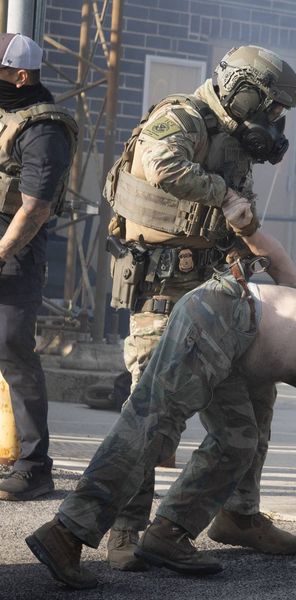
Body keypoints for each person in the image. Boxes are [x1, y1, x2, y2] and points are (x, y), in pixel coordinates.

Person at [25, 230, 296, 591]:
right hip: (219, 316)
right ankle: (66, 532)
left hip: (234, 344)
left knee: (238, 440)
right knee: (152, 426)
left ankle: (170, 531)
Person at [102, 45, 296, 570]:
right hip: (163, 294)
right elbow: (161, 164)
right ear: (242, 90)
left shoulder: (234, 143)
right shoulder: (181, 117)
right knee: (149, 416)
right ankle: (125, 530)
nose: (273, 119)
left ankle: (237, 514)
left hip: (215, 296)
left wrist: (284, 277)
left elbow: (241, 224)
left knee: (252, 409)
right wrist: (224, 196)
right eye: (270, 106)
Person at [0, 34, 77, 501]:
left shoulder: (45, 130)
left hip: (15, 253)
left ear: (21, 76)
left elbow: (35, 209)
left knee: (12, 348)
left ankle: (34, 467)